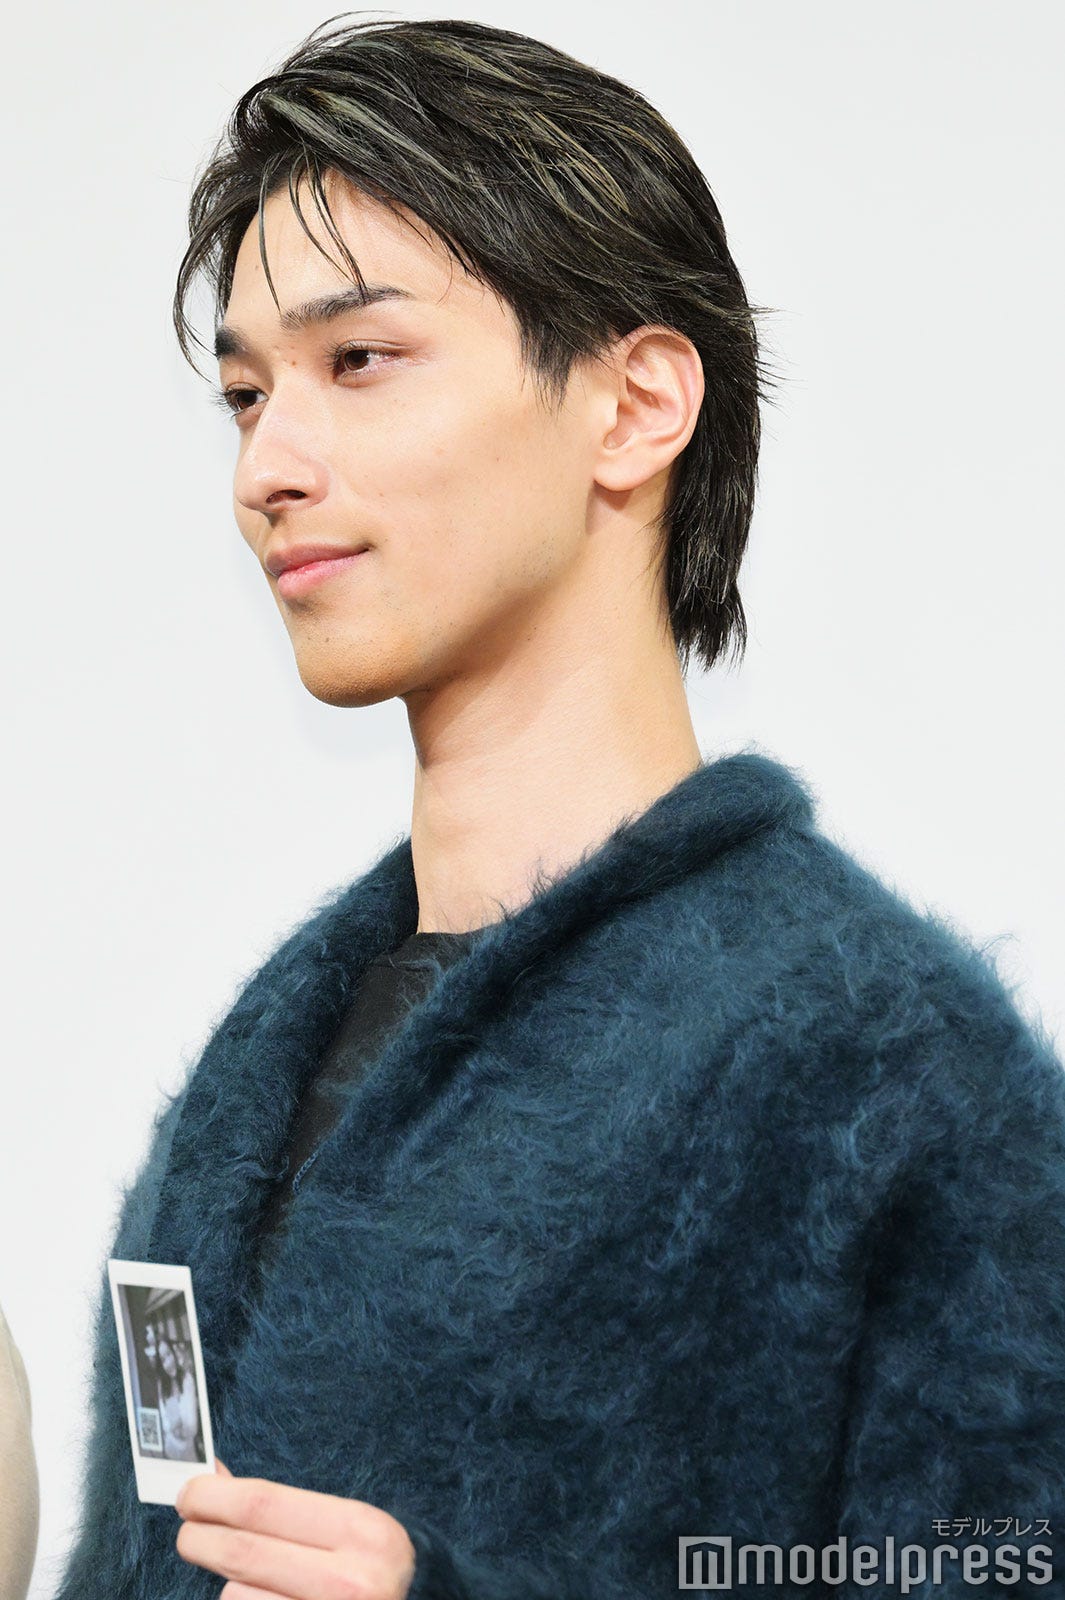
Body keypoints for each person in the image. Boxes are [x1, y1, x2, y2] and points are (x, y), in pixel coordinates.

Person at [55, 16, 1065, 1600]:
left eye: (358, 360)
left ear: (635, 404)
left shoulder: (883, 1063)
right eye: (245, 394)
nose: (266, 467)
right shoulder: (261, 1061)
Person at [156, 1336, 201, 1464]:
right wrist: (174, 1426)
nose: (168, 1363)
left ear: (174, 1352)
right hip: (170, 1450)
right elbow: (164, 1421)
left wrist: (176, 1427)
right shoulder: (162, 1386)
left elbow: (192, 1427)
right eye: (163, 1360)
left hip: (188, 1452)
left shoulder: (187, 1380)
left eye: (169, 1354)